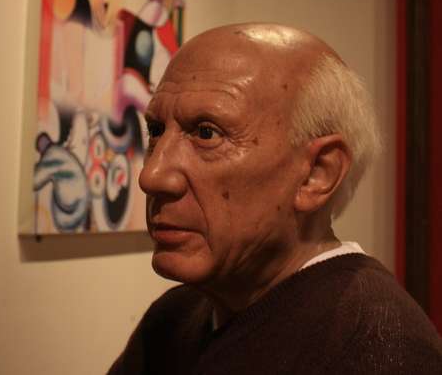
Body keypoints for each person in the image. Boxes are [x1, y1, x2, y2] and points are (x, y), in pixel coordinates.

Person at [108, 23, 442, 374]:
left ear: (317, 173)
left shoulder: (381, 348)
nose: (151, 176)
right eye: (156, 130)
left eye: (206, 133)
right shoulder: (175, 318)